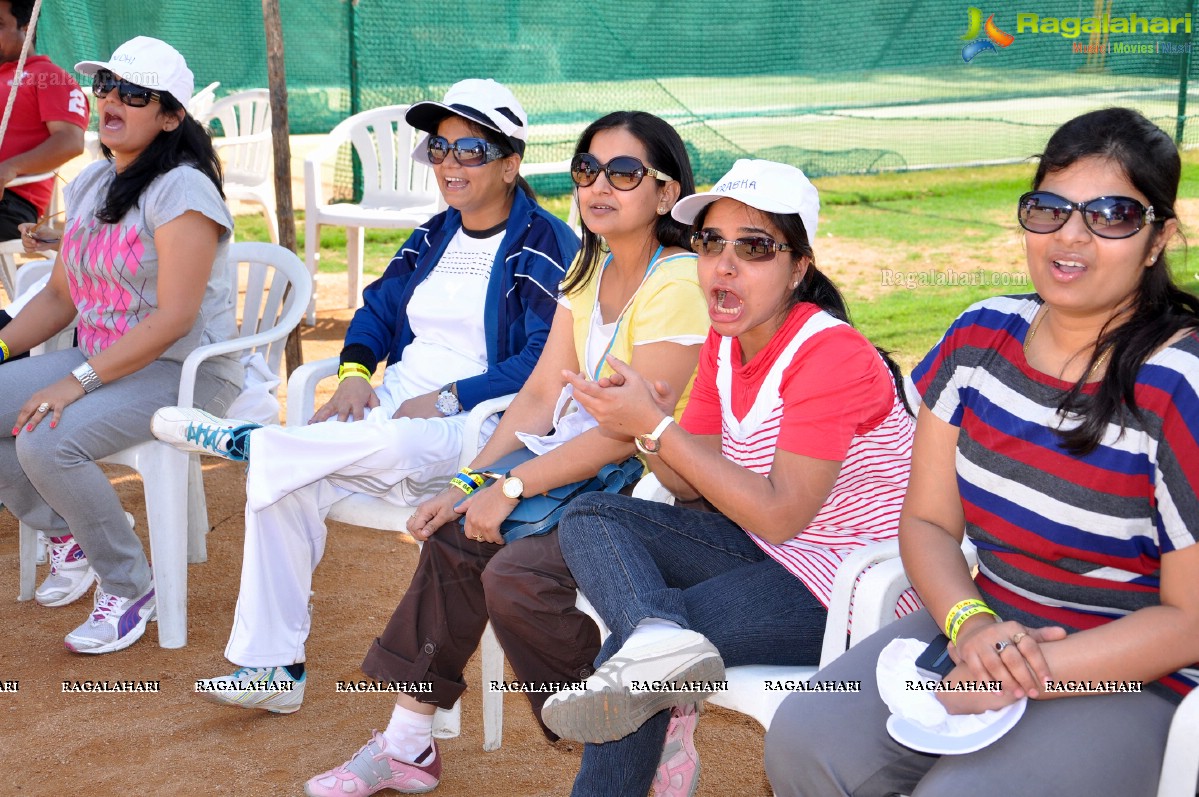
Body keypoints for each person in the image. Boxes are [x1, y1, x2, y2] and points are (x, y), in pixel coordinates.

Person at [764, 108, 1199, 797]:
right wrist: (972, 626)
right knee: (804, 739)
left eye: (1111, 214)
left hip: (1132, 672)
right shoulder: (977, 339)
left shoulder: (1178, 383)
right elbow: (928, 523)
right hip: (984, 620)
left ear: (1156, 239)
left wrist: (1019, 669)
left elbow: (1189, 620)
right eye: (1048, 209)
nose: (1071, 237)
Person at [301, 111, 707, 797]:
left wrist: (511, 487)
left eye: (624, 172)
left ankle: (644, 714)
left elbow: (630, 430)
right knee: (457, 532)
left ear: (666, 194)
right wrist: (473, 479)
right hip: (575, 463)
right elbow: (540, 394)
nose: (598, 185)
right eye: (585, 170)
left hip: (650, 484)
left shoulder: (678, 280)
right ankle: (406, 742)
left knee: (517, 577)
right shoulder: (591, 266)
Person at [150, 78, 580, 712]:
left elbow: (542, 361)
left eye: (470, 150)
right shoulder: (433, 235)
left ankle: (262, 442)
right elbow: (376, 310)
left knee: (382, 439)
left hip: (480, 427)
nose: (449, 165)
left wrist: (450, 396)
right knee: (284, 487)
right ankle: (273, 668)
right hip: (389, 418)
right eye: (439, 148)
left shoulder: (545, 244)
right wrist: (354, 374)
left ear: (510, 163)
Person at [538, 158, 918, 797]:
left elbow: (780, 513)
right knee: (590, 516)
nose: (724, 264)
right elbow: (692, 484)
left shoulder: (830, 354)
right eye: (710, 243)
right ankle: (658, 635)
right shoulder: (727, 337)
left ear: (800, 267)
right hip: (773, 551)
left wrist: (658, 430)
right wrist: (646, 423)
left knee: (629, 666)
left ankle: (652, 650)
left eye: (756, 247)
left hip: (849, 585)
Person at [0, 36, 240, 653]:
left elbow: (173, 320)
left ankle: (130, 585)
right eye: (106, 86)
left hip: (181, 369)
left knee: (46, 437)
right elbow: (59, 299)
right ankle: (72, 529)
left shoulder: (184, 190)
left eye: (135, 94)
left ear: (169, 117)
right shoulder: (91, 183)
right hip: (104, 359)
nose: (111, 100)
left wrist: (70, 384)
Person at [0, 0, 87, 241]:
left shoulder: (49, 77)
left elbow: (71, 141)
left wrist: (9, 168)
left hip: (11, 202)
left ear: (27, 29)